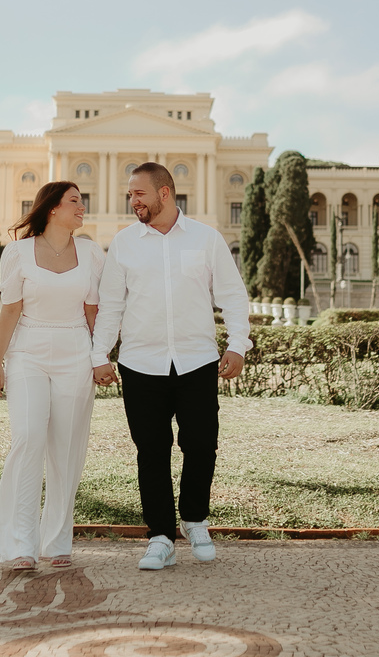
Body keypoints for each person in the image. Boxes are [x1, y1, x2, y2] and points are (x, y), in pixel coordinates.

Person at [91, 162, 251, 571]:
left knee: (201, 444)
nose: (132, 201)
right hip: (140, 364)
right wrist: (99, 354)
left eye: (138, 193)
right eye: (130, 194)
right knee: (152, 452)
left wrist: (238, 344)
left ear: (164, 193)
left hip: (198, 361)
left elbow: (232, 295)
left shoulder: (206, 238)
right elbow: (111, 305)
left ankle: (194, 519)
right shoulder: (124, 243)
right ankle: (160, 536)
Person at [0, 181, 104, 572]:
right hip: (28, 353)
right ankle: (20, 544)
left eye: (82, 201)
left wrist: (100, 357)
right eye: (75, 201)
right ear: (52, 207)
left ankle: (56, 542)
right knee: (28, 437)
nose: (82, 207)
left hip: (76, 353)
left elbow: (93, 312)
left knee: (67, 448)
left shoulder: (91, 252)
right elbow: (10, 311)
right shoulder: (18, 252)